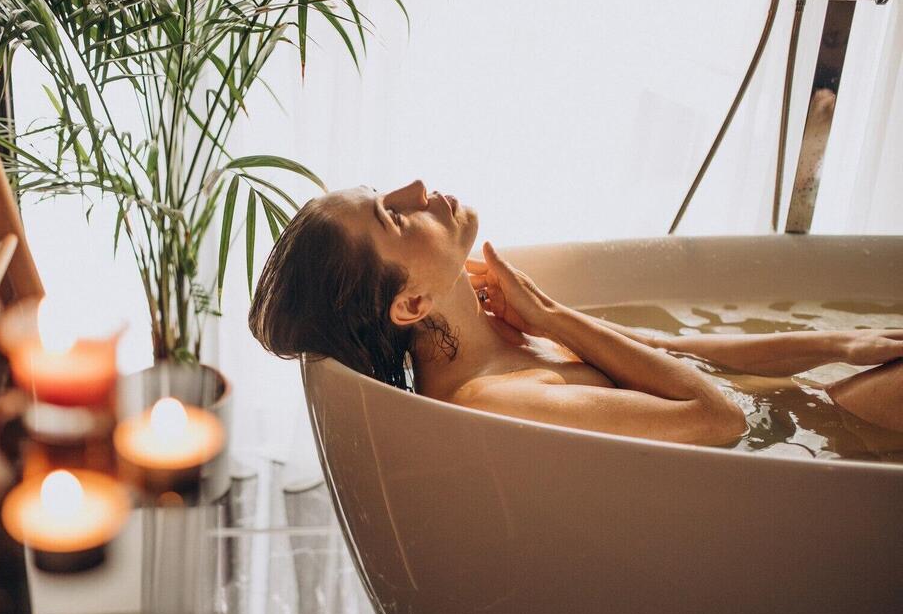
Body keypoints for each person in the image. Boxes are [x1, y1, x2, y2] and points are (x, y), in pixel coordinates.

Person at [248, 180, 903, 446]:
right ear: (411, 302)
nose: (416, 188)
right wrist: (556, 316)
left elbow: (686, 357)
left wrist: (842, 339)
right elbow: (720, 417)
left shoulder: (504, 324)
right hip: (814, 438)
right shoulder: (489, 400)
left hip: (808, 400)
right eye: (393, 214)